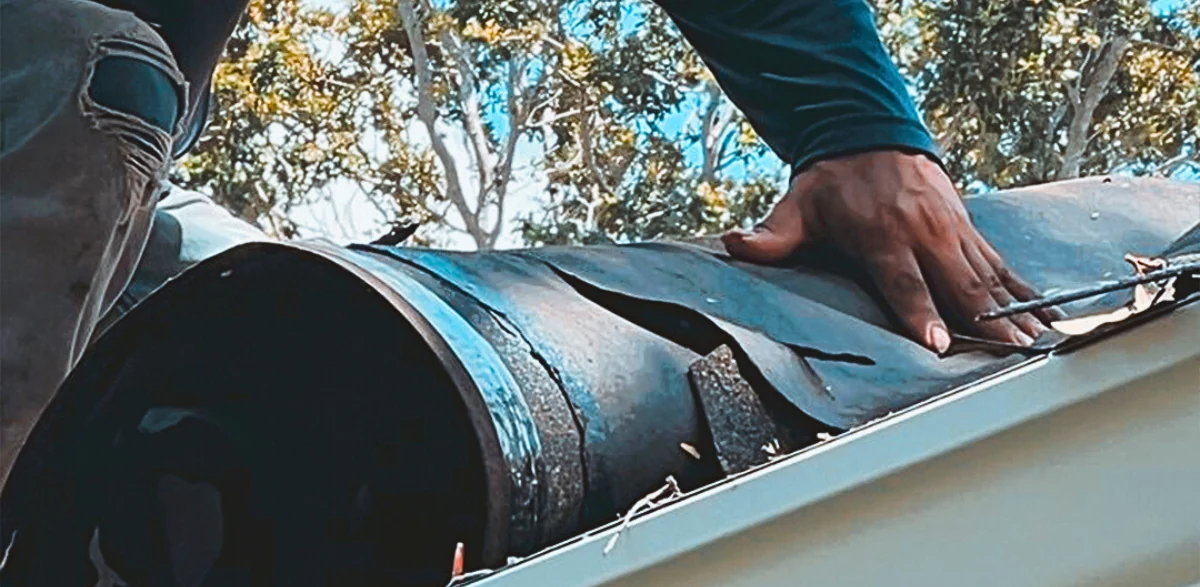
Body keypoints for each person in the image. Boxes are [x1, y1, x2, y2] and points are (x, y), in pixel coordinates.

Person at [0, 0, 1053, 484]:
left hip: (133, 193)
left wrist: (849, 124)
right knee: (85, 70)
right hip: (60, 90)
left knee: (240, 341)